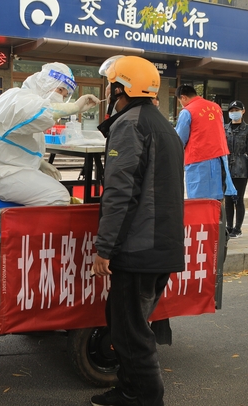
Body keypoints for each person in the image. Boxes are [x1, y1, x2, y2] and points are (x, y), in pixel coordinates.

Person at [91, 55, 185, 406]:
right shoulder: (161, 124)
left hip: (139, 247)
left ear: (121, 87)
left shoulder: (129, 124)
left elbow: (120, 192)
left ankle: (147, 398)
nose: (109, 91)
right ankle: (129, 389)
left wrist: (104, 249)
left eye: (112, 84)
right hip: (159, 244)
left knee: (130, 331)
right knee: (125, 323)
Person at [0, 62, 98, 206]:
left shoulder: (17, 97)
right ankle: (27, 229)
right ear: (44, 82)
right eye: (60, 90)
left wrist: (40, 163)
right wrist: (74, 107)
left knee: (52, 186)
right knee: (58, 196)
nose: (61, 98)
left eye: (65, 95)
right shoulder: (21, 100)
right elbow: (41, 113)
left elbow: (12, 138)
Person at [174, 85, 236, 200]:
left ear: (183, 97)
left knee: (198, 200)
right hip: (220, 159)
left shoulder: (187, 111)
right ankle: (218, 219)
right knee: (217, 200)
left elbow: (179, 140)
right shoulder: (216, 107)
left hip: (199, 160)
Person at [224, 100, 248, 238]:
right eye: (231, 111)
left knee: (238, 199)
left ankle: (238, 228)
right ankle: (229, 226)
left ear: (243, 111)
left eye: (236, 110)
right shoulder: (224, 128)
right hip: (227, 168)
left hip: (241, 168)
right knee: (228, 199)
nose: (233, 113)